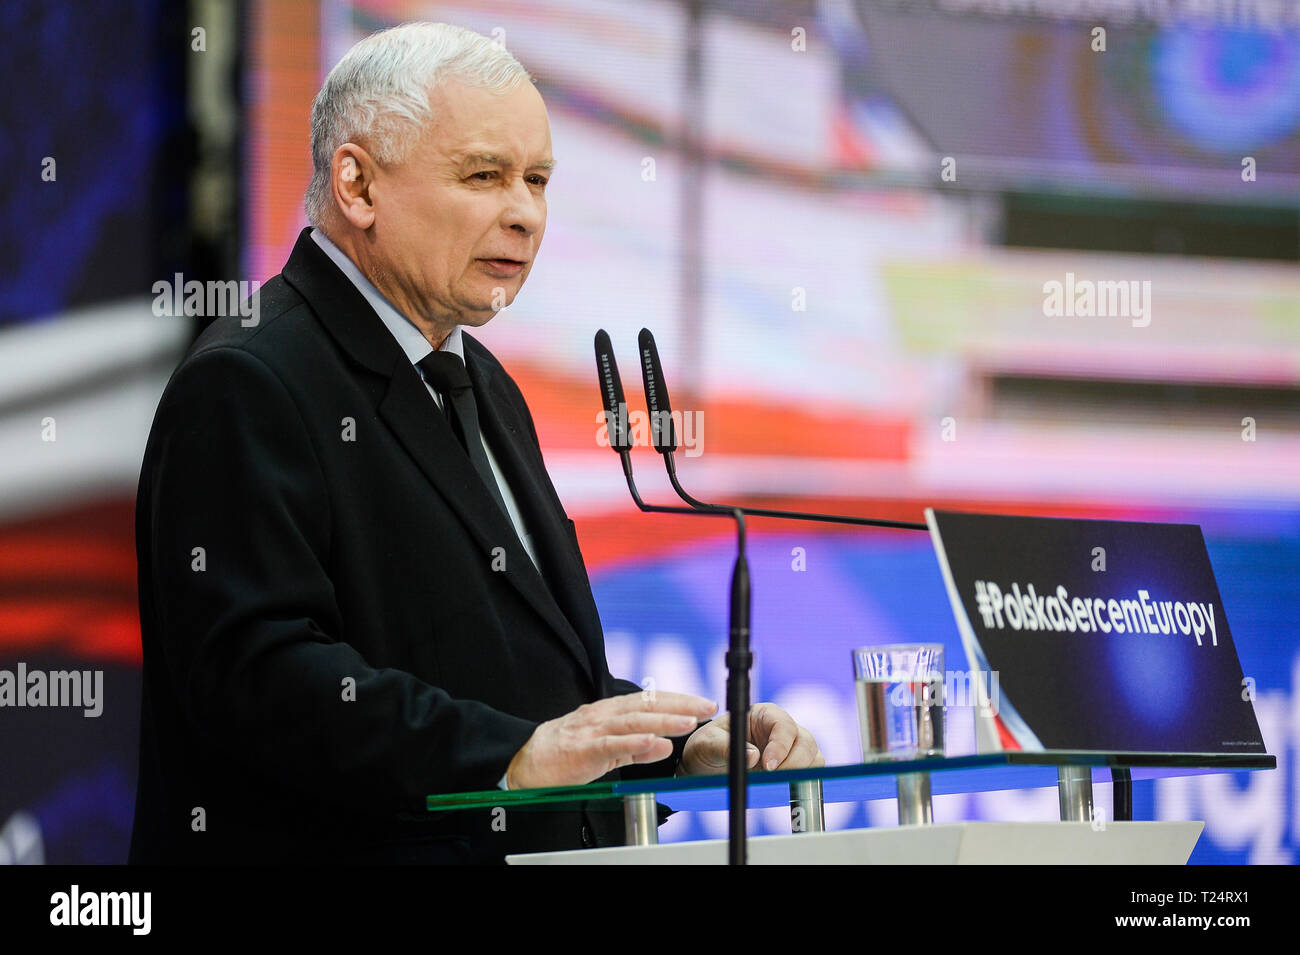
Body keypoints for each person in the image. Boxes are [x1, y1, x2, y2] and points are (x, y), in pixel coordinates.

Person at [130, 21, 821, 865]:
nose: (525, 214)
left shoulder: (481, 379)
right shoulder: (248, 381)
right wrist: (506, 759)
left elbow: (516, 677)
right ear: (357, 185)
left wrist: (682, 741)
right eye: (484, 175)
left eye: (537, 180)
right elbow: (257, 679)